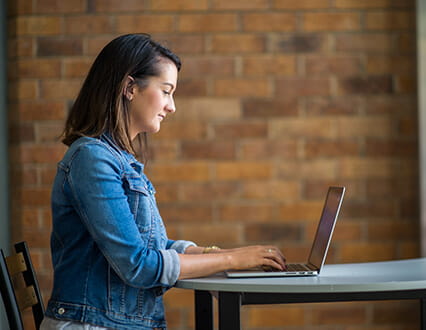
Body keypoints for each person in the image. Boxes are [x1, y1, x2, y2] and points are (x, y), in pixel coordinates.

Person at [41, 34, 286, 330]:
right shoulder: (92, 159)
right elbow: (139, 264)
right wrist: (233, 260)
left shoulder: (118, 159)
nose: (172, 106)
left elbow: (154, 246)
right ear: (130, 87)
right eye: (166, 91)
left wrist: (220, 255)